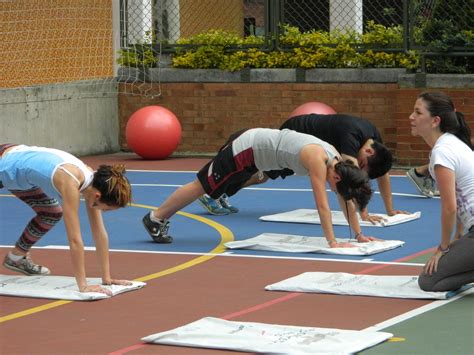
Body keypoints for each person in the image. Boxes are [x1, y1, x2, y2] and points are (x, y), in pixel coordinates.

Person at [143, 128, 379, 248]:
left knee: (213, 190)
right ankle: (155, 218)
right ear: (337, 177)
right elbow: (322, 206)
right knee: (202, 186)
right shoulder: (318, 159)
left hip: (257, 158)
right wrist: (332, 242)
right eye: (336, 186)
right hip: (246, 148)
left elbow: (344, 198)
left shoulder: (337, 163)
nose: (335, 190)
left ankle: (158, 217)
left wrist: (358, 234)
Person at [198, 114, 409, 224]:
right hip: (296, 133)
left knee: (261, 174)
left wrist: (390, 210)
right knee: (261, 174)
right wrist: (364, 213)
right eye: (363, 164)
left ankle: (219, 190)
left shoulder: (374, 141)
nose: (361, 168)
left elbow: (383, 175)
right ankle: (215, 192)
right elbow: (350, 178)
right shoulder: (351, 138)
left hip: (312, 146)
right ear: (369, 153)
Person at [0, 144, 133, 295]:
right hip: (7, 163)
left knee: (50, 213)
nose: (103, 211)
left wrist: (107, 278)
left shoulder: (91, 182)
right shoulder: (71, 183)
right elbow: (74, 239)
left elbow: (99, 233)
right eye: (106, 209)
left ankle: (15, 257)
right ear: (98, 196)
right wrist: (83, 286)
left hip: (18, 171)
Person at [408, 92, 474, 292]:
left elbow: (450, 207)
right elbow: (462, 193)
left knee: (429, 281)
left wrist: (443, 248)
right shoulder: (451, 143)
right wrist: (460, 234)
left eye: (418, 112)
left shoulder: (443, 151)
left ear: (435, 121)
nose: (411, 117)